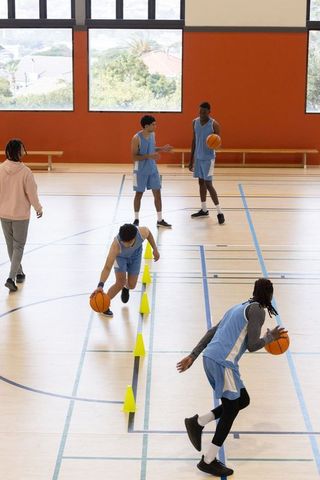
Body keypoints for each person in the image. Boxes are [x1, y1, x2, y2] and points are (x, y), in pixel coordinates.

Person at [176, 278, 287, 477]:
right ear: (269, 295)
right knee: (231, 409)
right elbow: (253, 345)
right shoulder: (258, 311)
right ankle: (208, 460)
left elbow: (212, 331)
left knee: (243, 400)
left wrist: (193, 355)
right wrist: (271, 338)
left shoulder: (238, 307)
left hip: (210, 358)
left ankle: (198, 423)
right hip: (222, 362)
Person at [0, 139, 43, 292]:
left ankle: (19, 272)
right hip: (20, 216)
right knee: (18, 246)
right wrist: (38, 208)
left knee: (11, 246)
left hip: (4, 214)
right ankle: (11, 278)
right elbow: (32, 194)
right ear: (18, 152)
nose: (25, 151)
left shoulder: (1, 169)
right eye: (23, 149)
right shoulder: (26, 172)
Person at [91, 223, 160, 317]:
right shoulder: (116, 246)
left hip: (136, 255)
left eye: (128, 243)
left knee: (132, 285)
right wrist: (100, 285)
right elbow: (107, 267)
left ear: (134, 238)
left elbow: (149, 234)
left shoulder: (142, 232)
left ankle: (126, 287)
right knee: (120, 282)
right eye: (123, 242)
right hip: (120, 258)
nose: (125, 244)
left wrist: (155, 249)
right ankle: (105, 305)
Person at [132, 115, 172, 228]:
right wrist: (149, 156)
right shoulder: (136, 138)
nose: (156, 126)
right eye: (153, 124)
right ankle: (136, 219)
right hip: (140, 171)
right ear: (146, 126)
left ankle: (160, 220)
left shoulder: (152, 135)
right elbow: (134, 157)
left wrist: (162, 149)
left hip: (152, 169)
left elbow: (152, 149)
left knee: (158, 194)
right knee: (139, 194)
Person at [189, 102, 225, 224]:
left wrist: (214, 144)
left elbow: (218, 143)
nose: (201, 114)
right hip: (198, 158)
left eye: (204, 112)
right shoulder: (195, 122)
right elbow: (194, 141)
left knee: (209, 184)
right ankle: (204, 210)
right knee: (201, 182)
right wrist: (191, 160)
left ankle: (220, 212)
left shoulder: (214, 125)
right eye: (200, 112)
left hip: (209, 159)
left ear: (209, 112)